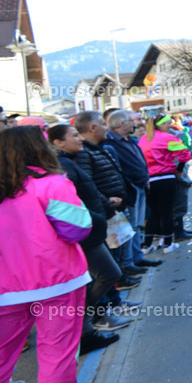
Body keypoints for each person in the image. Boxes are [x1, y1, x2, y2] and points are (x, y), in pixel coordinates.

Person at [0, 126, 93, 383]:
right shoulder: (51, 183)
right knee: (58, 353)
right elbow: (78, 229)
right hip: (58, 280)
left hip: (6, 289)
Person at [48, 124, 129, 351]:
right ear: (58, 142)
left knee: (98, 278)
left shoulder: (69, 161)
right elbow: (71, 201)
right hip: (85, 233)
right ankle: (85, 320)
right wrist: (93, 218)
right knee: (108, 274)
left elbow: (87, 191)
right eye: (74, 136)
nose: (79, 139)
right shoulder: (62, 165)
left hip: (89, 229)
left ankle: (86, 325)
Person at [73, 111, 141, 292]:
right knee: (111, 252)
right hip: (105, 208)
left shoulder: (98, 147)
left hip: (115, 205)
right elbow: (88, 183)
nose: (106, 128)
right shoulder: (84, 153)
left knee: (119, 245)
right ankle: (112, 294)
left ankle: (121, 278)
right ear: (93, 128)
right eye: (103, 124)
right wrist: (106, 201)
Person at [105, 110, 164, 272]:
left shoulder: (129, 140)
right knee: (129, 226)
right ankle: (128, 262)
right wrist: (129, 183)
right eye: (133, 120)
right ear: (120, 124)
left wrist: (145, 178)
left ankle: (137, 257)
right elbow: (117, 167)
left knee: (137, 224)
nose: (136, 123)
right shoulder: (110, 142)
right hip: (129, 188)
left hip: (140, 185)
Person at [138, 115, 192, 254]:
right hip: (166, 178)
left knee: (154, 213)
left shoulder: (143, 139)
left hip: (149, 180)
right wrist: (179, 170)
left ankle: (147, 245)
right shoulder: (166, 138)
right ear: (160, 125)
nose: (170, 125)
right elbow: (185, 153)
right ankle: (168, 244)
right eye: (168, 123)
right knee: (167, 212)